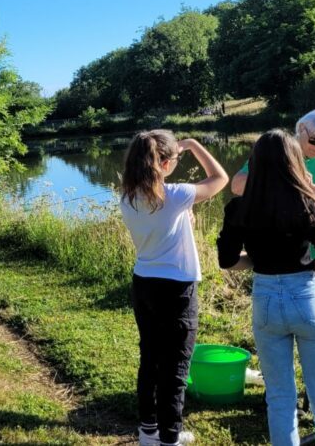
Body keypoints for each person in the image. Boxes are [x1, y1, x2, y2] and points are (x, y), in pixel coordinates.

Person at [218, 130, 315, 446]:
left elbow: (228, 261)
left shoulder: (239, 208)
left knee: (278, 397)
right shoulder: (311, 204)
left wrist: (262, 262)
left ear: (255, 163)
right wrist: (303, 267)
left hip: (266, 301)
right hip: (307, 298)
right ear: (294, 161)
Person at [120, 130, 228, 446]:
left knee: (151, 359)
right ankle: (170, 438)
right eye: (176, 159)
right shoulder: (175, 195)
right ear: (164, 162)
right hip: (176, 289)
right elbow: (219, 178)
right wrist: (194, 145)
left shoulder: (127, 196)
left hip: (144, 284)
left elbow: (170, 222)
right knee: (176, 366)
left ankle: (148, 432)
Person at [230, 109, 315, 309]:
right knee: (277, 318)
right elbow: (237, 186)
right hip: (279, 255)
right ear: (301, 128)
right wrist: (292, 181)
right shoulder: (277, 150)